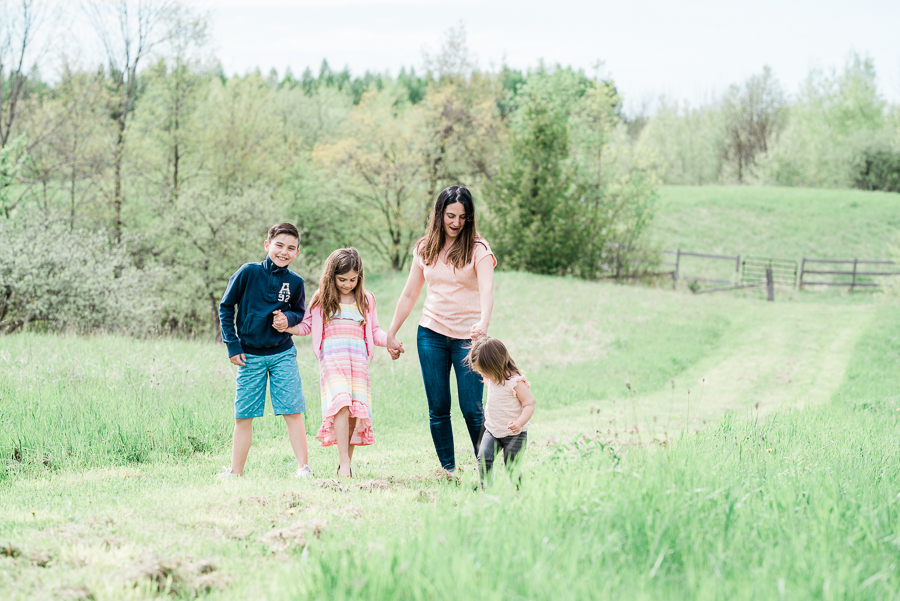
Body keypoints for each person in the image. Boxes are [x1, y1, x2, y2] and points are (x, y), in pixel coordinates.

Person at [386, 185, 496, 477]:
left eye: (462, 216)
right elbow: (410, 293)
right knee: (438, 407)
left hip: (468, 338)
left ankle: (487, 471)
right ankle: (448, 471)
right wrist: (391, 332)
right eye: (450, 215)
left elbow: (487, 290)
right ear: (439, 214)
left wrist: (483, 323)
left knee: (471, 408)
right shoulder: (425, 247)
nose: (456, 222)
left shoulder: (479, 249)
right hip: (431, 334)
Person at [279, 248, 387, 478]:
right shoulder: (322, 298)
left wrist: (391, 342)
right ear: (331, 276)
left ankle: (345, 463)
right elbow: (306, 326)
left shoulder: (366, 299)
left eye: (353, 279)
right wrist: (286, 326)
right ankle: (344, 463)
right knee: (341, 404)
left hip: (358, 360)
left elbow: (375, 331)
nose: (347, 284)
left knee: (354, 412)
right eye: (342, 279)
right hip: (332, 358)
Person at [217, 223, 310, 479]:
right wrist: (232, 344)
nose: (284, 252)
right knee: (243, 415)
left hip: (283, 354)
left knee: (292, 410)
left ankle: (303, 468)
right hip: (249, 356)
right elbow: (226, 307)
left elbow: (299, 313)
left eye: (291, 248)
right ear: (267, 245)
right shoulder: (248, 272)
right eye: (279, 245)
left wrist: (287, 319)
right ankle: (235, 472)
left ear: (297, 252)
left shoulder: (296, 282)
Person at [465, 336, 535, 485]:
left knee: (512, 468)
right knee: (483, 458)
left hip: (515, 434)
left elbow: (529, 404)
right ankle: (487, 490)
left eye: (484, 371)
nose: (482, 375)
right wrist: (476, 343)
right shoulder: (493, 378)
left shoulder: (515, 382)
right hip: (492, 430)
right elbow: (485, 350)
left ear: (495, 365)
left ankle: (518, 492)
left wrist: (519, 422)